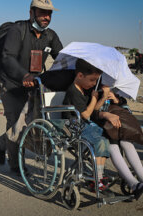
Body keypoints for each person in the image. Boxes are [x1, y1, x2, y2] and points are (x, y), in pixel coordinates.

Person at [0, 0, 63, 175]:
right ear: (31, 12)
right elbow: (7, 57)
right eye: (42, 13)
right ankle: (16, 165)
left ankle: (2, 142)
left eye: (49, 14)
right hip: (11, 84)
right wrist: (23, 74)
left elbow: (62, 58)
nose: (46, 17)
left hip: (35, 86)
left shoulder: (50, 35)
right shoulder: (18, 30)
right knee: (15, 121)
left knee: (31, 122)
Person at [96, 90, 143, 199]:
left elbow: (123, 104)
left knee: (126, 143)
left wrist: (115, 99)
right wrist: (101, 100)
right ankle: (134, 184)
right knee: (113, 146)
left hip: (116, 125)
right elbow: (88, 112)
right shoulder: (91, 90)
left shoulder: (109, 89)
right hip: (100, 127)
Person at [62, 59, 114, 197]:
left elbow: (94, 111)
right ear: (80, 76)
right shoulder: (73, 91)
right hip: (73, 125)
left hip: (83, 124)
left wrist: (100, 99)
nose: (93, 84)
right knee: (100, 141)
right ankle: (97, 179)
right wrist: (93, 99)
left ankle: (98, 176)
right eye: (91, 80)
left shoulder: (85, 90)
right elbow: (85, 114)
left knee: (104, 140)